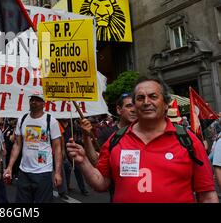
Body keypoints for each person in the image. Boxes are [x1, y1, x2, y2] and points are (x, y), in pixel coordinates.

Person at [67, 77, 219, 203]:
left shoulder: (188, 141)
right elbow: (101, 183)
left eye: (153, 96)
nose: (146, 102)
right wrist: (83, 162)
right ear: (135, 105)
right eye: (140, 98)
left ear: (166, 104)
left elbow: (207, 195)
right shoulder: (116, 139)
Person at [3, 94, 62, 203]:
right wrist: (10, 166)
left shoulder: (51, 121)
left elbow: (57, 147)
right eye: (32, 100)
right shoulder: (22, 119)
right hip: (24, 172)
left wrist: (57, 172)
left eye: (38, 100)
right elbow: (17, 144)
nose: (34, 102)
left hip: (43, 172)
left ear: (44, 104)